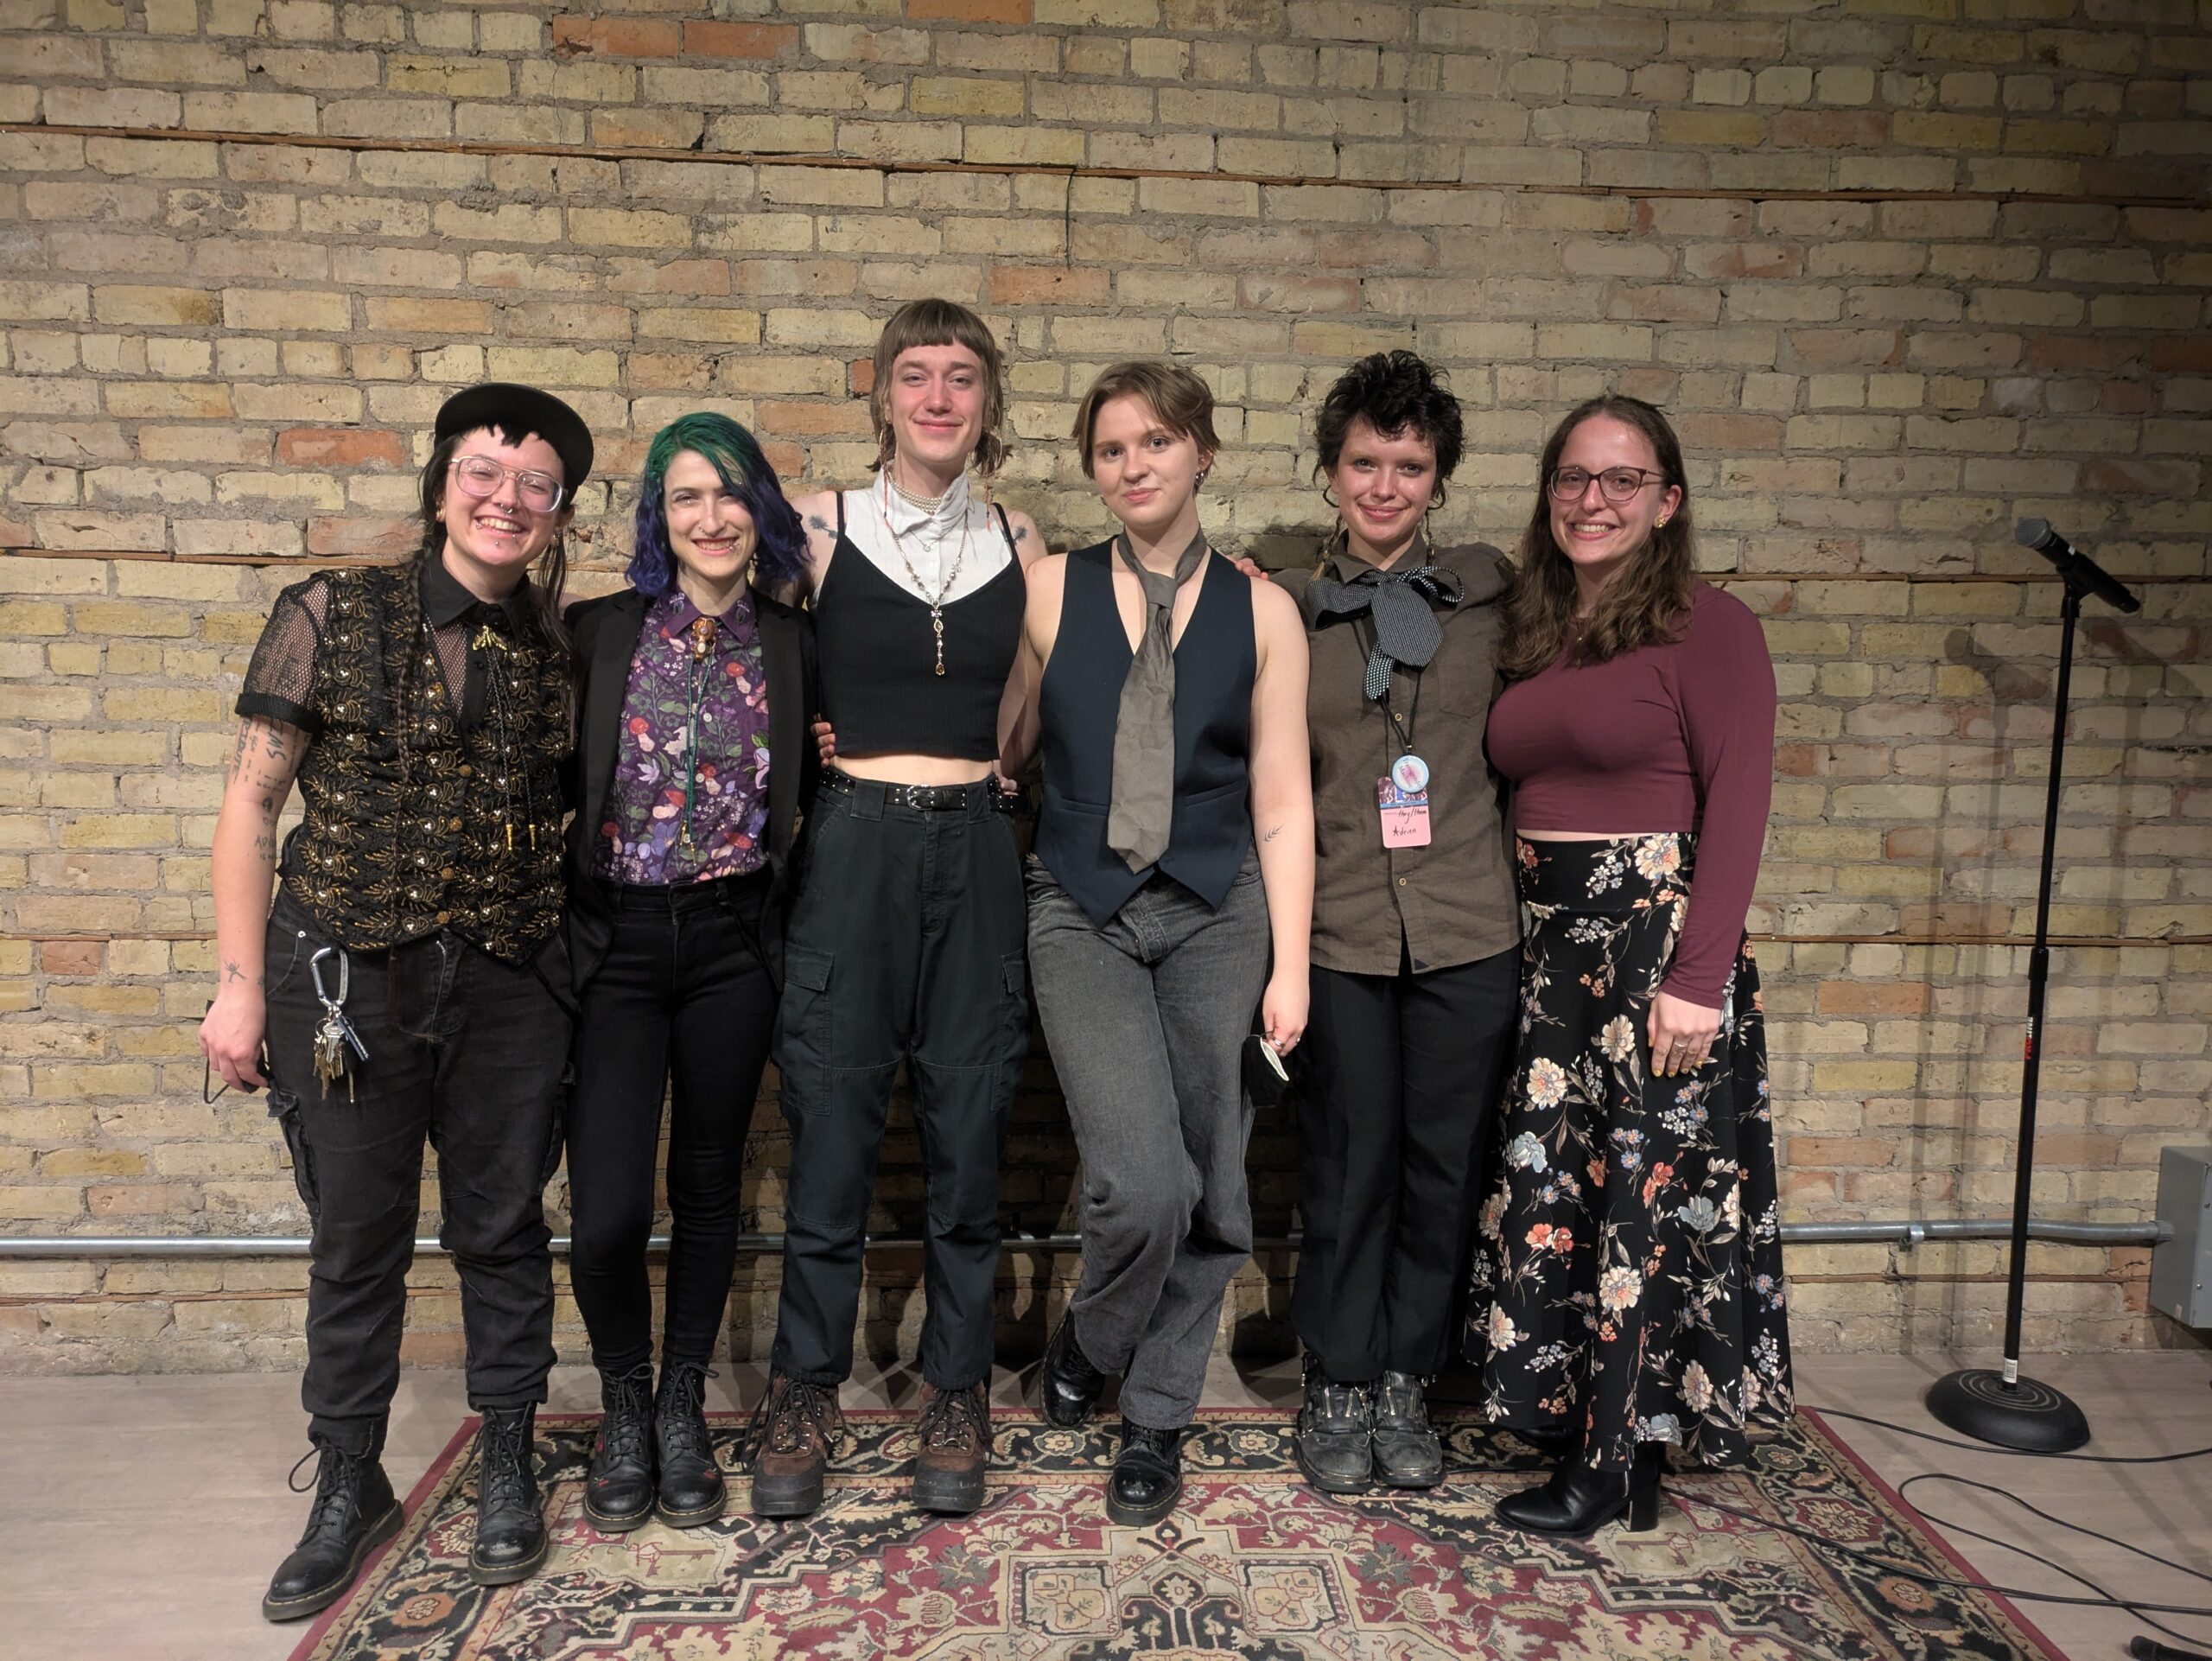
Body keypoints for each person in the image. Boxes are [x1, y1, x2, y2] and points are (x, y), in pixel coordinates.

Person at [200, 383, 588, 1617]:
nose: (507, 499)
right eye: (485, 471)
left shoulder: (560, 650)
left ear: (557, 511)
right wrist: (237, 987)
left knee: (504, 1228)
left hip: (511, 979)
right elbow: (252, 804)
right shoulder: (330, 611)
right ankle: (350, 1478)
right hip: (345, 976)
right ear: (440, 486)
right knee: (356, 1236)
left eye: (536, 484)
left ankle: (508, 1455)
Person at [1469, 393, 1793, 1536]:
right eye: (1572, 477)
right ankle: (1588, 1427)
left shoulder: (1711, 625)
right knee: (1573, 1193)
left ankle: (1617, 1464)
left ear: (1668, 500)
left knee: (1643, 1204)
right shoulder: (1538, 626)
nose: (1592, 499)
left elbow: (1740, 802)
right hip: (1554, 951)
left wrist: (1700, 980)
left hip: (1652, 951)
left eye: (1621, 479)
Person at [752, 299, 1045, 1519]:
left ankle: (957, 1389)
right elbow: (754, 666)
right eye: (915, 374)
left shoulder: (1021, 536)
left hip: (976, 846)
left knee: (970, 1134)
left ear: (988, 398)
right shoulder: (818, 527)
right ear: (880, 393)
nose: (937, 396)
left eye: (961, 376)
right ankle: (804, 1388)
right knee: (831, 1128)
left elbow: (1027, 706)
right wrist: (806, 744)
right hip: (854, 845)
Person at [1007, 360, 1313, 1528]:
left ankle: (1154, 1412)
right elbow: (1002, 745)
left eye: (1156, 442)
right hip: (1081, 904)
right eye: (1111, 449)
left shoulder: (1264, 611)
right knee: (1141, 1186)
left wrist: (1291, 965)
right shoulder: (1048, 589)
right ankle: (1093, 1337)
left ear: (1203, 451)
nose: (1133, 466)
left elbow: (1282, 797)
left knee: (1217, 1184)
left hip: (1218, 907)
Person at [1268, 353, 1520, 1495]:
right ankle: (1339, 1372)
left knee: (1440, 1165)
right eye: (1365, 462)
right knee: (1346, 1160)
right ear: (1331, 472)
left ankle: (1410, 1373)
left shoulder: (1492, 601)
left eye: (1409, 466)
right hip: (1341, 926)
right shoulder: (1283, 604)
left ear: (1438, 478)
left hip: (1468, 926)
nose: (1385, 486)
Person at [563, 414, 817, 1533]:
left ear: (760, 508)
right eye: (686, 497)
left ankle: (679, 1404)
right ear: (659, 517)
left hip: (732, 944)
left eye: (729, 494)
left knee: (711, 1185)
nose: (711, 518)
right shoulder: (599, 631)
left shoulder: (794, 640)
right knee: (610, 1206)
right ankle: (623, 1400)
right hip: (614, 944)